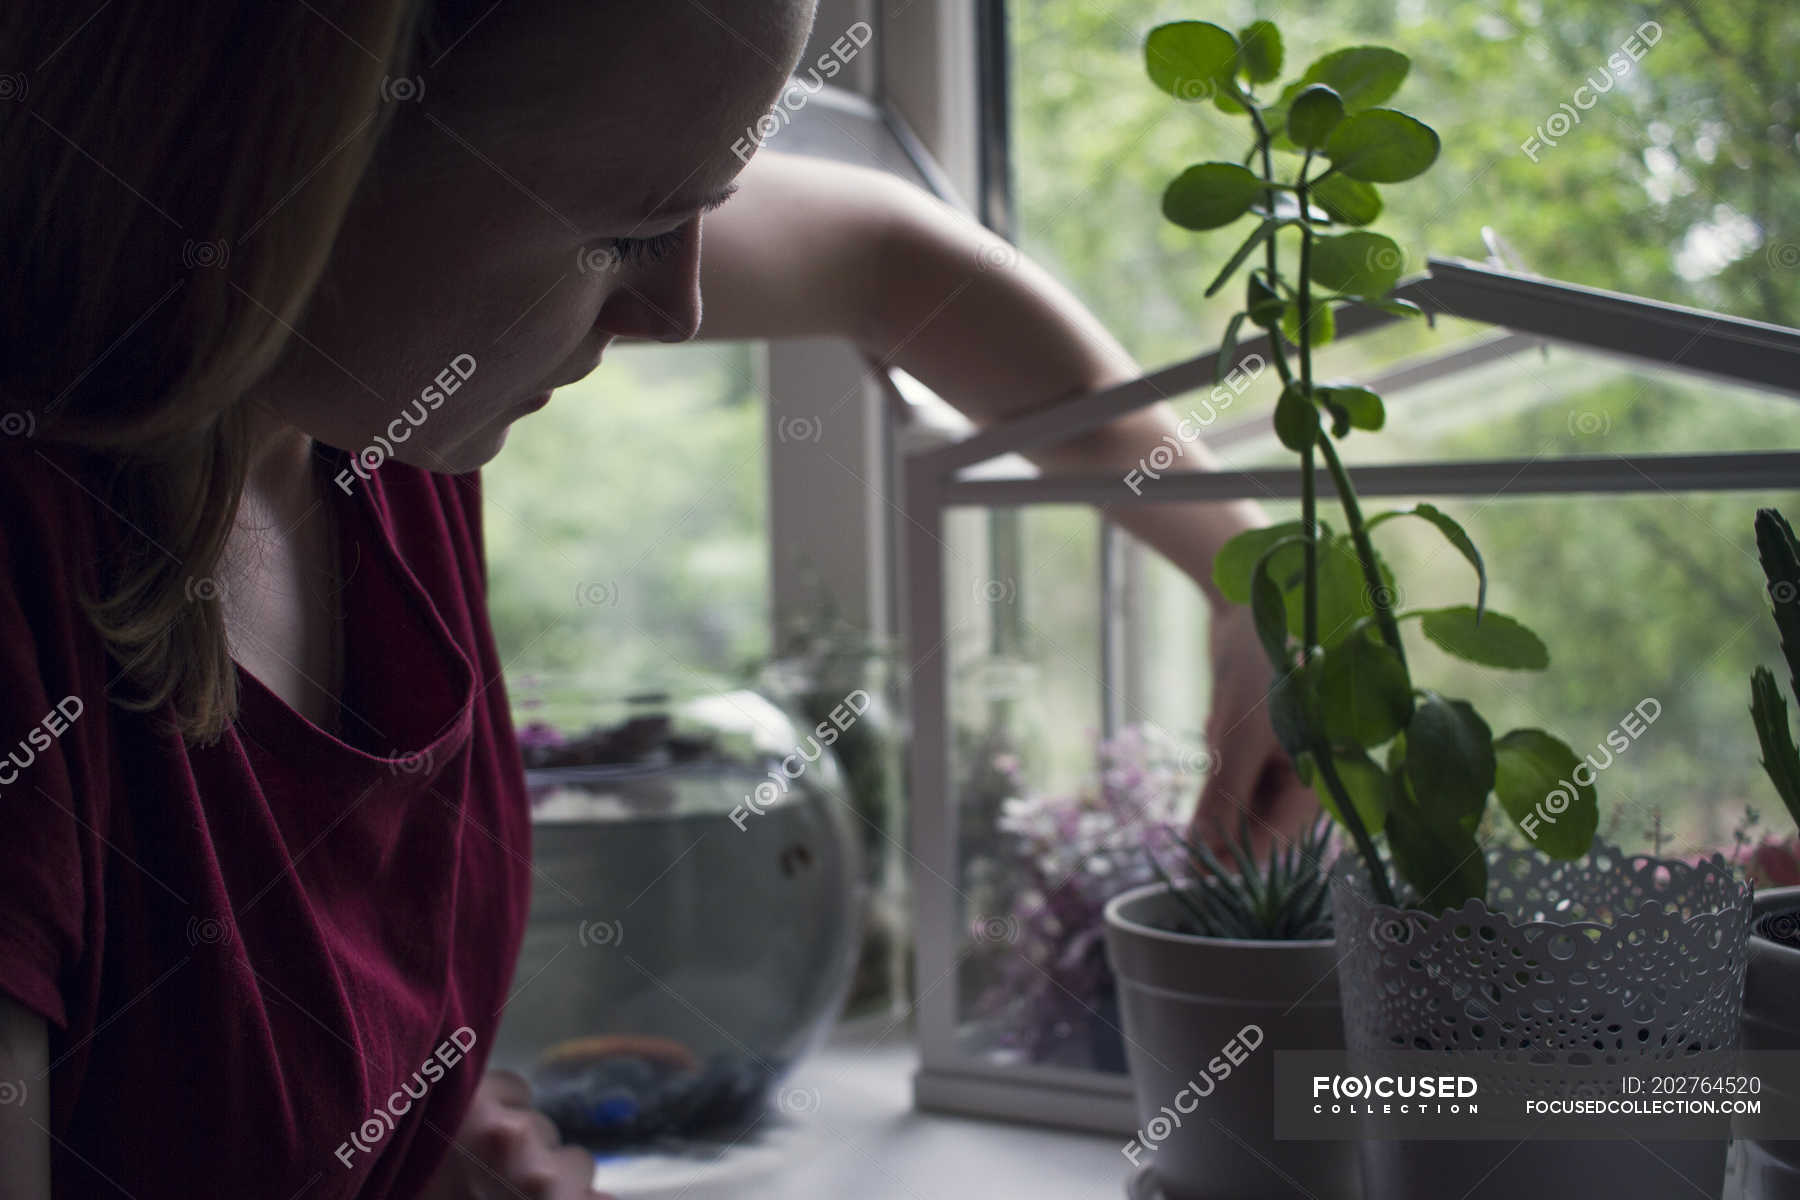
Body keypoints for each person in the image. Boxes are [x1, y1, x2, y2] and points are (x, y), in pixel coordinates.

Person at [0, 2, 1311, 1196]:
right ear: (294, 161)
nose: (680, 305)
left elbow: (891, 262)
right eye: (623, 231)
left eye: (706, 203)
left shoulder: (354, 404)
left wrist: (1253, 588)